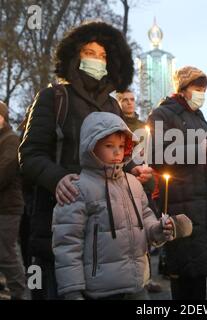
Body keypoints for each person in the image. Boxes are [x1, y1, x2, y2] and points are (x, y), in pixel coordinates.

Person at [18, 21, 152, 299]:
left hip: (105, 240)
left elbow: (115, 154)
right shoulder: (52, 98)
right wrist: (56, 179)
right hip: (59, 226)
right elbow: (29, 155)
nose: (97, 59)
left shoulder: (113, 106)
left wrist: (132, 168)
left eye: (103, 55)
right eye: (90, 52)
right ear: (75, 55)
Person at [52, 112, 174, 300]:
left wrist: (159, 229)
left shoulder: (133, 183)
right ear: (90, 147)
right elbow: (68, 244)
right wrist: (72, 291)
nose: (117, 152)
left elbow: (146, 218)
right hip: (100, 290)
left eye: (121, 146)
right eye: (109, 146)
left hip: (137, 285)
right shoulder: (78, 189)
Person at [147, 66, 207, 300]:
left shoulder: (199, 117)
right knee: (184, 272)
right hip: (181, 201)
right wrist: (201, 148)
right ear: (183, 89)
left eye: (204, 90)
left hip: (206, 202)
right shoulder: (162, 114)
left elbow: (206, 155)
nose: (202, 94)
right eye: (198, 89)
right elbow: (155, 155)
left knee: (199, 272)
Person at [116, 89, 162, 293]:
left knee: (146, 230)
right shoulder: (116, 124)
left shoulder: (143, 126)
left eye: (132, 99)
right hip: (122, 185)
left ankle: (147, 276)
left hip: (145, 185)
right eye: (124, 100)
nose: (129, 103)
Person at [0, 101, 26, 300]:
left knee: (6, 253)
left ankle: (19, 292)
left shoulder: (10, 140)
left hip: (7, 207)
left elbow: (4, 172)